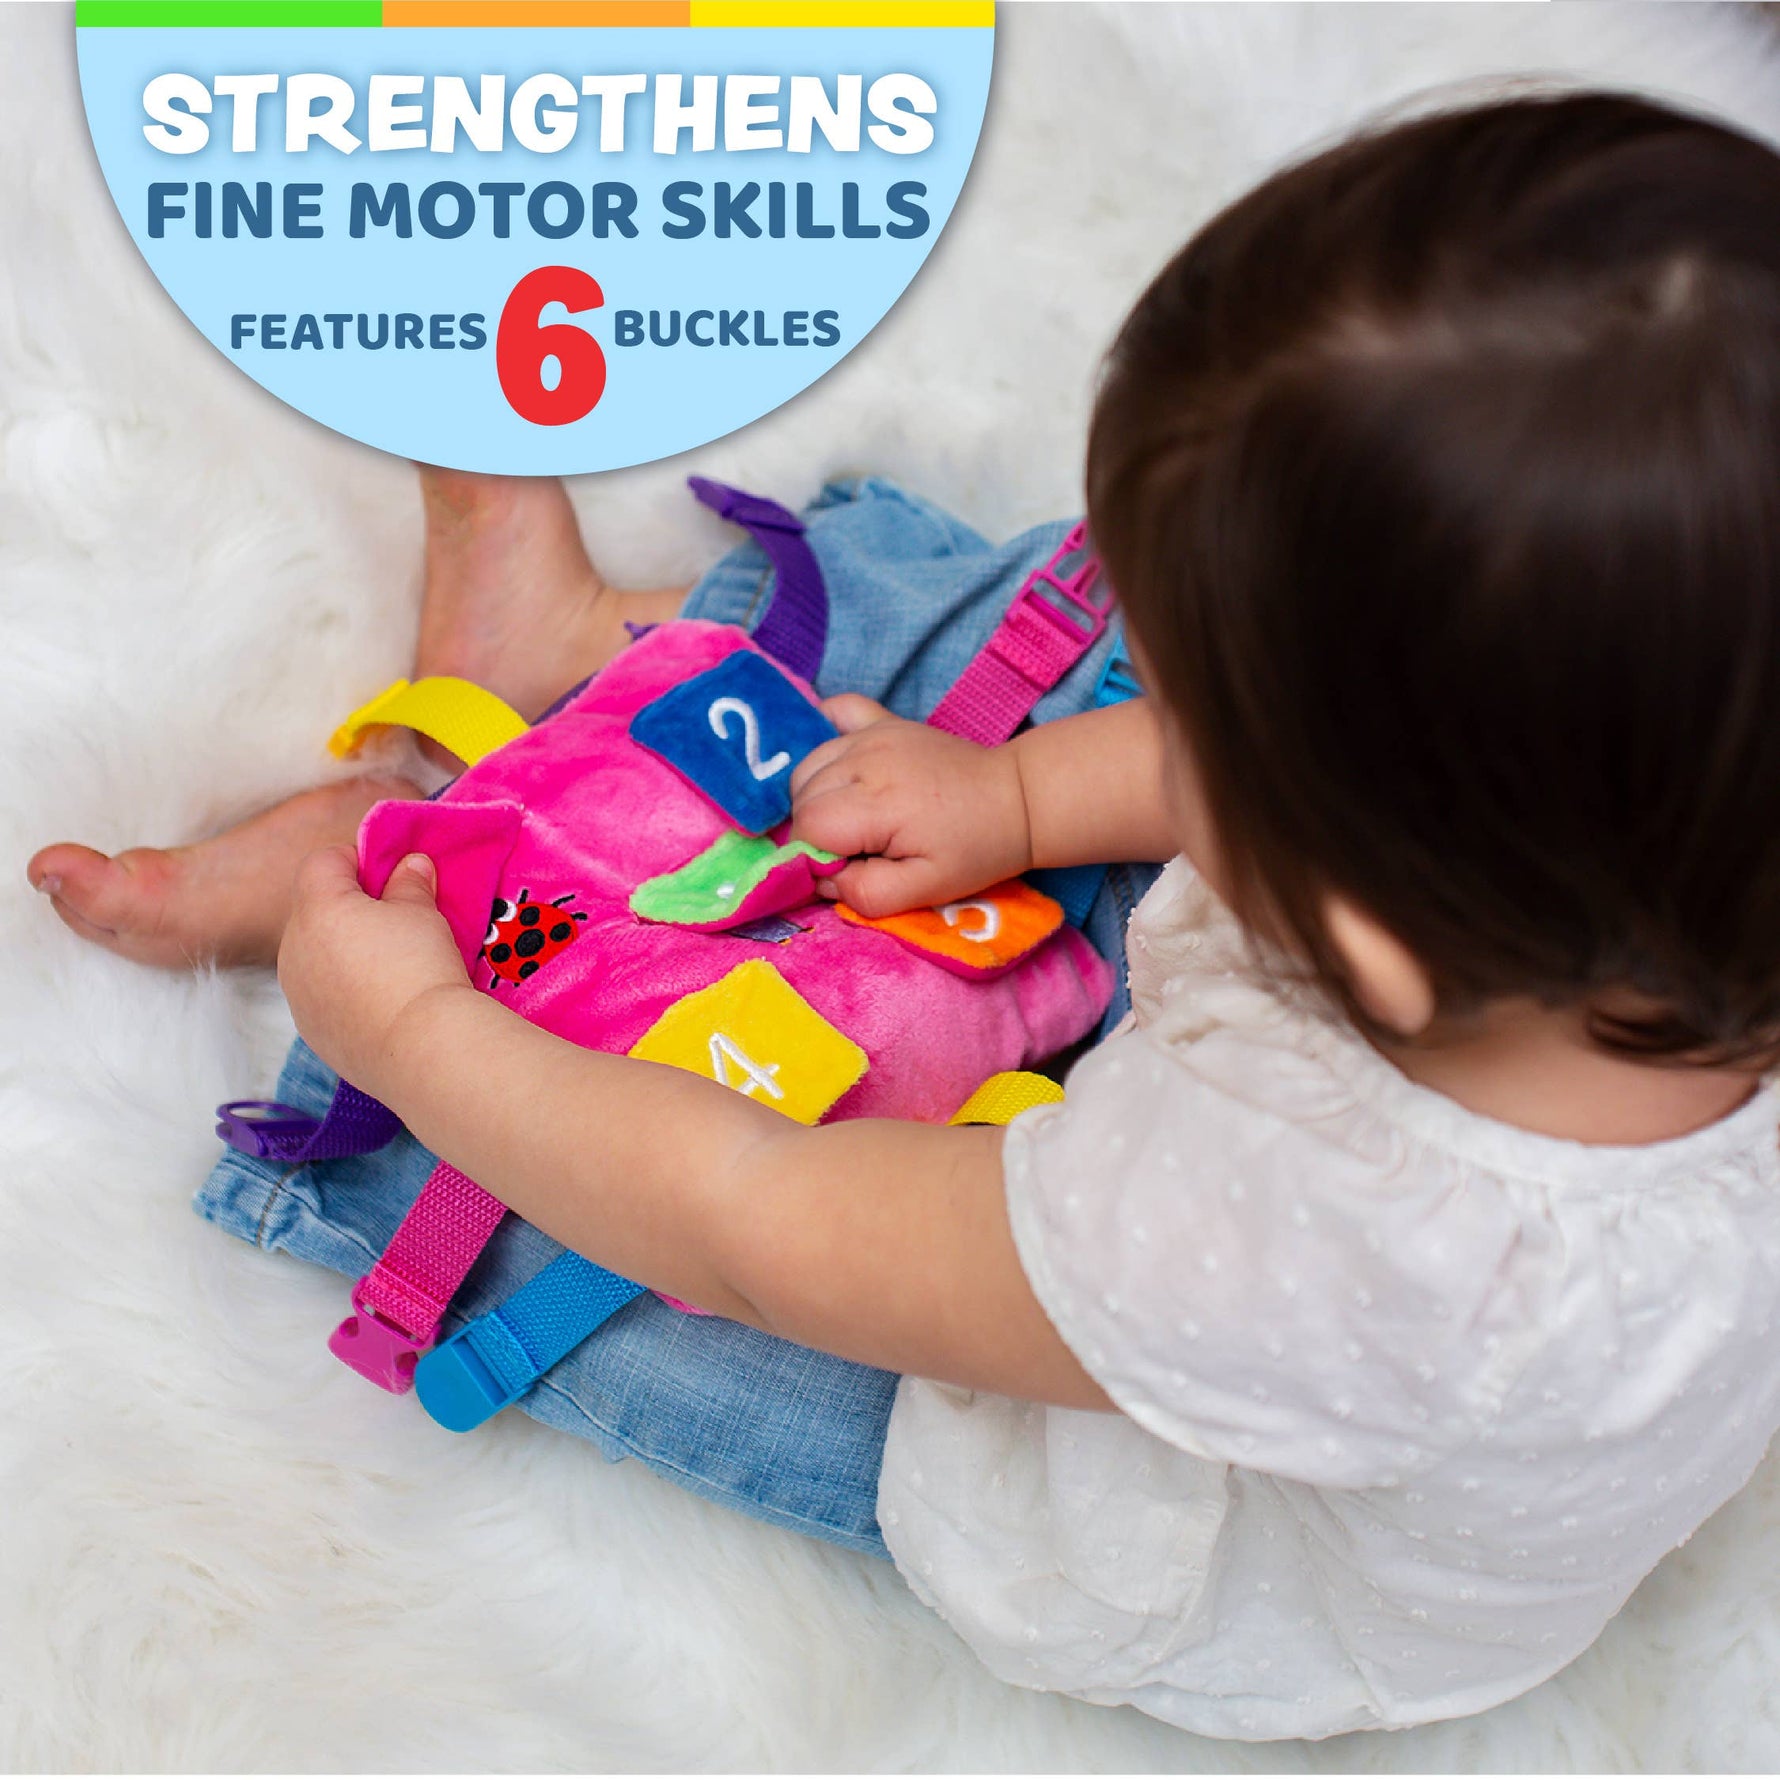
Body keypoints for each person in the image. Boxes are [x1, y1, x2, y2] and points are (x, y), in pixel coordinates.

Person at [30, 91, 1780, 1739]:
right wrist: (1013, 798)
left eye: (1198, 732)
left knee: (572, 1221)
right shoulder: (1675, 807)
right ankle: (598, 679)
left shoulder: (1306, 1239)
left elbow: (756, 1215)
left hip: (1145, 1508)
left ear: (1356, 925)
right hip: (1359, 1142)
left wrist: (413, 1035)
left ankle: (457, 865)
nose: (1164, 729)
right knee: (1083, 637)